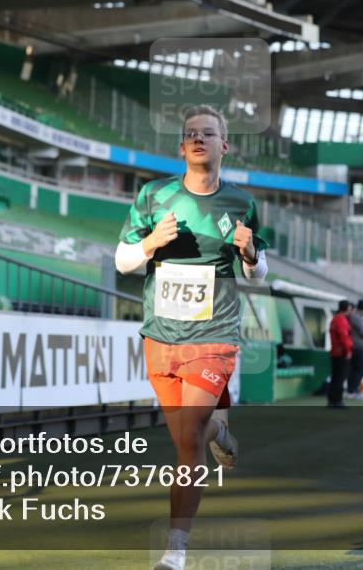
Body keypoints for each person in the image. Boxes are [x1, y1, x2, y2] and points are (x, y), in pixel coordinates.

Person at [114, 105, 268, 570]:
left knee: (189, 435)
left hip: (214, 334)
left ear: (225, 146)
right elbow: (123, 260)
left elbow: (258, 274)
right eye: (190, 134)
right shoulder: (153, 196)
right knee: (188, 438)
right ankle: (221, 428)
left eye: (209, 133)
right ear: (181, 147)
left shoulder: (241, 203)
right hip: (161, 337)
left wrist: (248, 255)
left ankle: (174, 549)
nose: (198, 139)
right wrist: (149, 244)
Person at [327, 300, 353, 408]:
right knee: (340, 378)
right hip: (341, 353)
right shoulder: (341, 320)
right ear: (347, 308)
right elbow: (344, 337)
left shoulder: (335, 319)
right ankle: (337, 401)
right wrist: (348, 351)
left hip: (335, 352)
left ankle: (332, 400)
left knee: (335, 377)